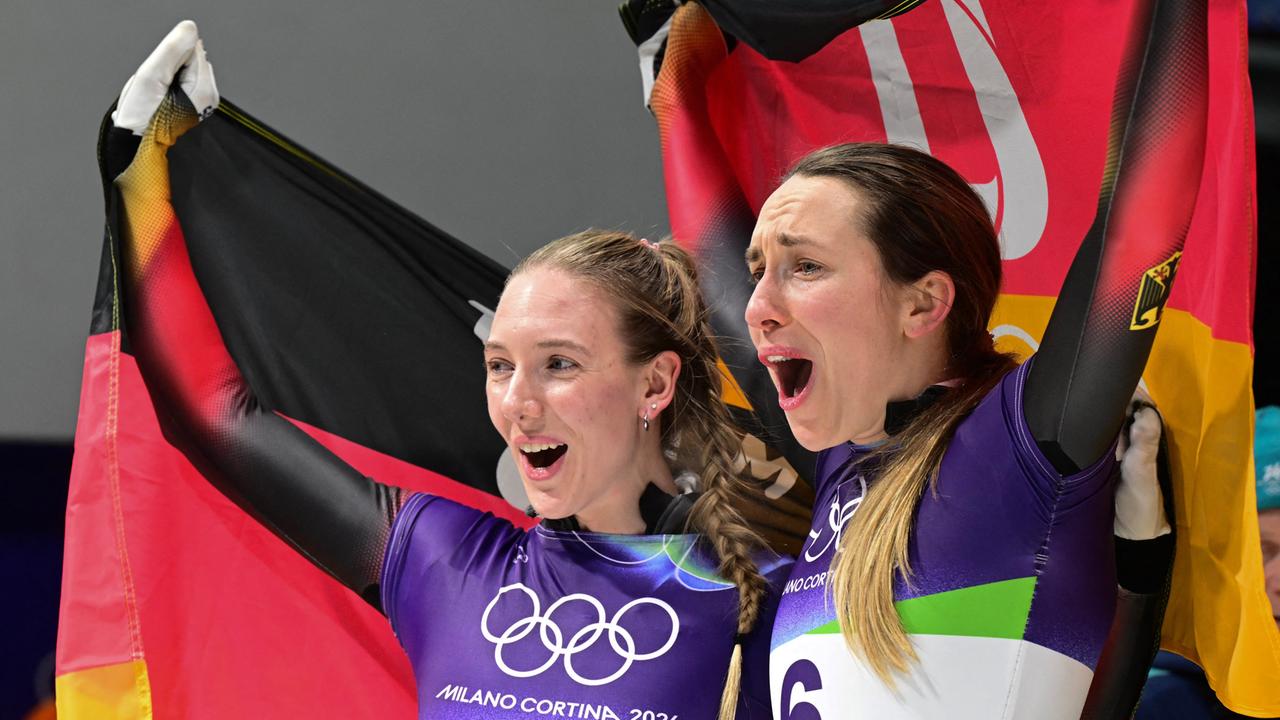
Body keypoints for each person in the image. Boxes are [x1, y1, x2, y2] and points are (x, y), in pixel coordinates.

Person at [106, 22, 789, 720]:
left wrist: (680, 100)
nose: (517, 402)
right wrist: (138, 176)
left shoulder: (766, 600)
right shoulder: (443, 560)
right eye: (499, 365)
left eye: (559, 364)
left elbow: (763, 325)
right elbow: (215, 415)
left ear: (655, 383)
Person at [744, 0, 1205, 713]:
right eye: (758, 271)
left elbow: (1140, 223)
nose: (757, 307)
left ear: (924, 303)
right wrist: (673, 79)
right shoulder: (840, 455)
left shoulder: (1021, 443)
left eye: (804, 266)